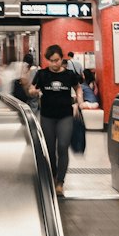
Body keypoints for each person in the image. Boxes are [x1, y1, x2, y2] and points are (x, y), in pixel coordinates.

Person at [29, 44, 83, 195]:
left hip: (65, 115)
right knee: (50, 149)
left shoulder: (69, 74)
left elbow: (78, 87)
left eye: (57, 60)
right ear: (47, 60)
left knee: (63, 146)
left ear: (61, 58)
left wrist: (79, 101)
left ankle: (60, 181)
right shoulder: (42, 74)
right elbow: (31, 89)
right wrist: (34, 91)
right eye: (51, 61)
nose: (54, 63)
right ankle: (52, 175)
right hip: (47, 116)